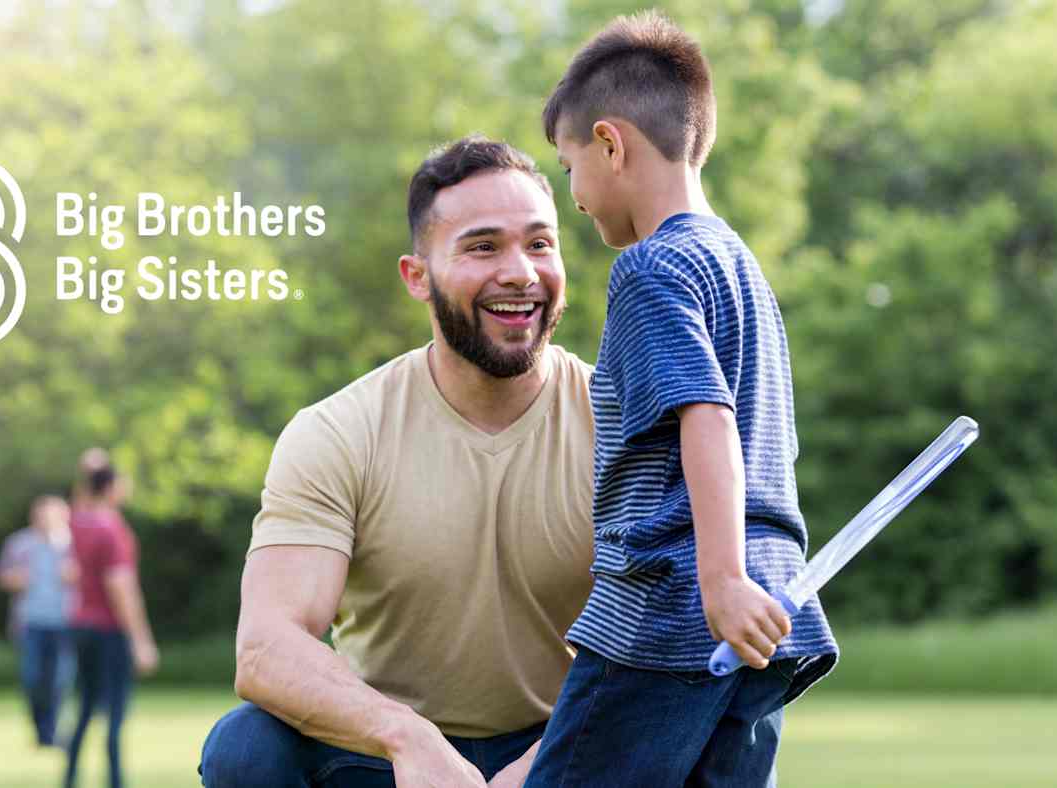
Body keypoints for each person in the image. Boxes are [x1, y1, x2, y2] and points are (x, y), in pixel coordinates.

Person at [198, 136, 596, 787]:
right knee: (247, 747)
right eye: (483, 246)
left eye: (540, 243)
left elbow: (658, 644)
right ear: (418, 276)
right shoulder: (338, 431)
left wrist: (542, 764)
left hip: (566, 744)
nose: (521, 271)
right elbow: (267, 648)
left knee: (700, 726)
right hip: (387, 755)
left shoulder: (620, 426)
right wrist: (407, 738)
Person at [524, 12, 838, 787]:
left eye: (568, 169)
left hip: (672, 608)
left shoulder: (649, 269)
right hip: (772, 612)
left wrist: (719, 578)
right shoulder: (738, 265)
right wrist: (741, 583)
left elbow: (709, 417)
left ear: (610, 143)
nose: (576, 197)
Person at [64, 461, 160, 788]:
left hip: (80, 625)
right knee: (116, 711)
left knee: (86, 707)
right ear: (110, 488)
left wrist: (88, 469)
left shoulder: (77, 523)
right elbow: (121, 587)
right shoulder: (113, 529)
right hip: (109, 629)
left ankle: (69, 778)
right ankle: (116, 781)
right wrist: (141, 640)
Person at [0, 495, 77, 747]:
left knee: (60, 679)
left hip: (66, 621)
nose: (45, 521)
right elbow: (1, 575)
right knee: (32, 679)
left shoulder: (74, 544)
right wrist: (15, 578)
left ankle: (53, 733)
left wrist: (75, 575)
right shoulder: (19, 543)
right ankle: (40, 730)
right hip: (30, 622)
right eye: (41, 516)